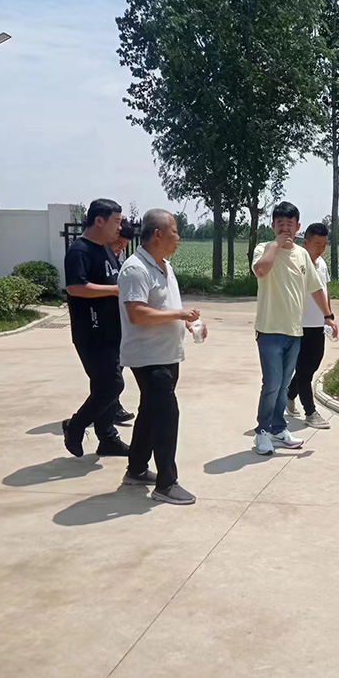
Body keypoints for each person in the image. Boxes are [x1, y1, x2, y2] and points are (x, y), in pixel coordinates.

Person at [118, 209, 204, 505]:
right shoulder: (135, 269)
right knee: (167, 416)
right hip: (148, 357)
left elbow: (165, 306)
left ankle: (136, 469)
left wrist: (187, 323)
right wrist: (180, 314)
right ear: (158, 234)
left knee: (150, 412)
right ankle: (166, 484)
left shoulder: (164, 266)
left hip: (167, 354)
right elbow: (137, 313)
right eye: (175, 231)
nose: (178, 237)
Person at [252, 202, 338, 456]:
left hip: (294, 331)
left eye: (289, 224)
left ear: (298, 227)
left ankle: (278, 429)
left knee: (282, 386)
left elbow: (316, 288)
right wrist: (276, 245)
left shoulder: (302, 255)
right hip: (269, 330)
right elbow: (260, 270)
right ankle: (262, 432)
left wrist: (328, 316)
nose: (285, 228)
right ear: (272, 225)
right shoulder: (263, 249)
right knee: (271, 384)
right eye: (280, 224)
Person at [63, 198, 129, 458]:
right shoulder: (79, 251)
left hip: (113, 332)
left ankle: (107, 438)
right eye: (116, 221)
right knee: (112, 385)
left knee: (104, 386)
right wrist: (115, 291)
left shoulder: (105, 250)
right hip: (91, 333)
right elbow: (75, 287)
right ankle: (76, 425)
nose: (119, 228)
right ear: (99, 220)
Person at [286, 222, 333, 429]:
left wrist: (329, 316)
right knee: (304, 370)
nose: (320, 249)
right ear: (305, 242)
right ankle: (311, 412)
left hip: (318, 325)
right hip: (299, 325)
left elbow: (325, 290)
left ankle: (289, 394)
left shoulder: (321, 263)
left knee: (312, 366)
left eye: (324, 245)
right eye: (317, 245)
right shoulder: (295, 263)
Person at [110, 218, 137, 425]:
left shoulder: (119, 259)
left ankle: (111, 407)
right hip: (103, 323)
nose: (120, 248)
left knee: (116, 369)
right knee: (111, 373)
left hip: (119, 321)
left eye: (124, 245)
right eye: (118, 243)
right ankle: (110, 408)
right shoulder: (98, 256)